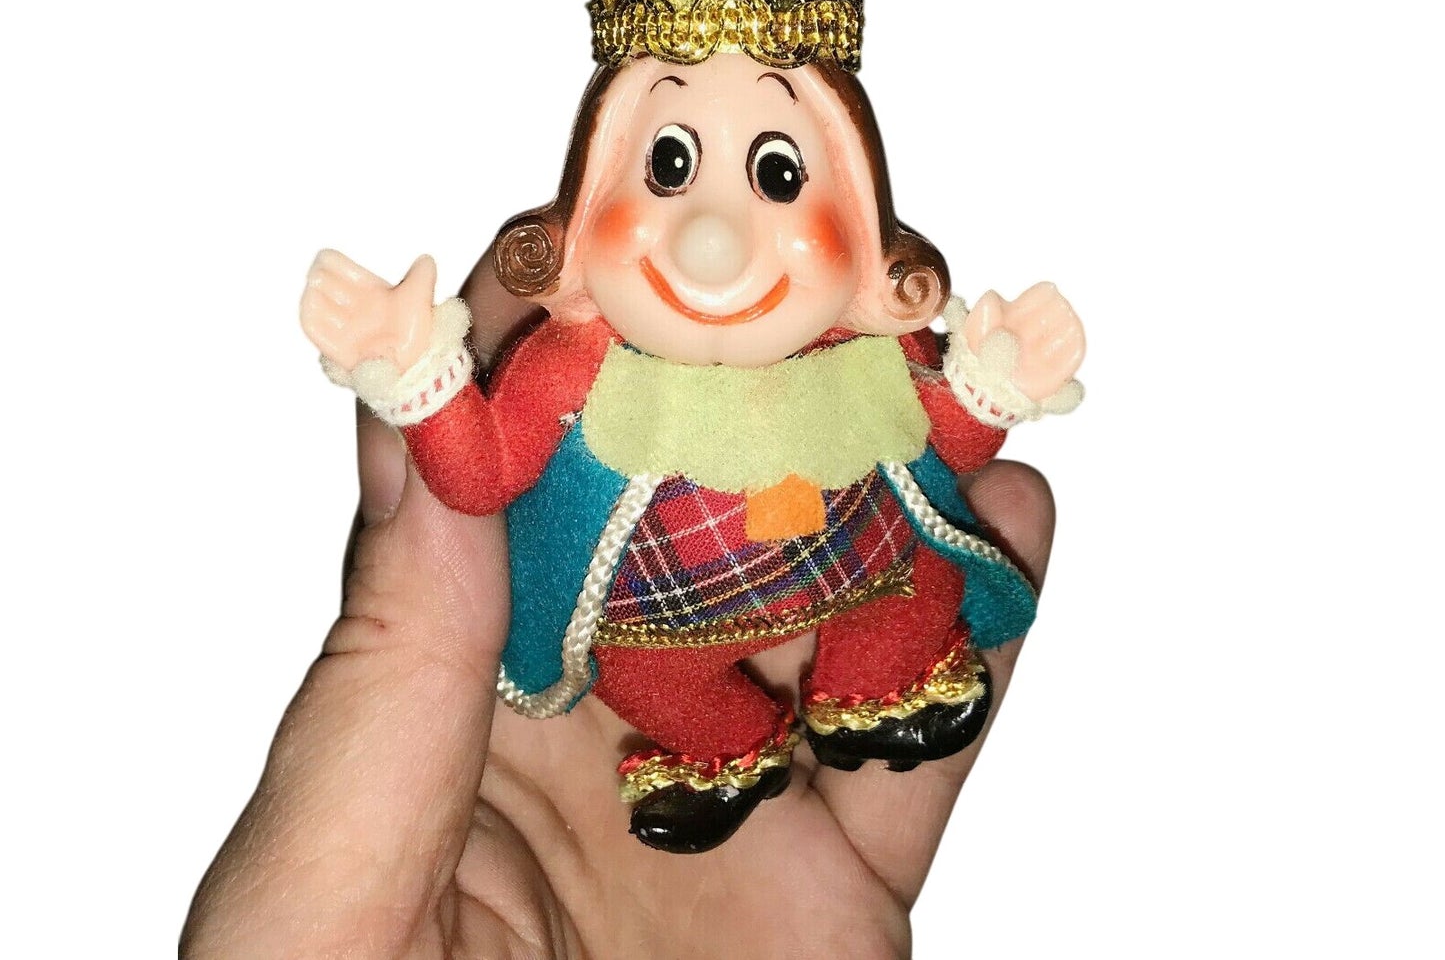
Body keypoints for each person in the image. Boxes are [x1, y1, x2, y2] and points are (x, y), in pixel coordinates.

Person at [181, 368, 1055, 959]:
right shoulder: (574, 367)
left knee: (917, 585)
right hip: (664, 617)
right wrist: (425, 383)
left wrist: (992, 381)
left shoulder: (860, 353)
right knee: (641, 681)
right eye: (668, 169)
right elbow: (483, 467)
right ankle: (725, 751)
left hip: (857, 555)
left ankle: (883, 692)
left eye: (779, 177)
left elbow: (947, 434)